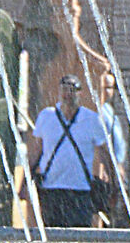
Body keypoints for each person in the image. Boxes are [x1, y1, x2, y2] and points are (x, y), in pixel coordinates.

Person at [25, 72, 113, 230]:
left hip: (80, 188)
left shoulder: (91, 120)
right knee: (51, 232)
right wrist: (25, 181)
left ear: (80, 93)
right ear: (58, 93)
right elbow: (36, 151)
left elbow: (104, 152)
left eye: (72, 90)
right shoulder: (46, 116)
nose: (68, 94)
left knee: (80, 233)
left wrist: (110, 180)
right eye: (64, 90)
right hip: (51, 187)